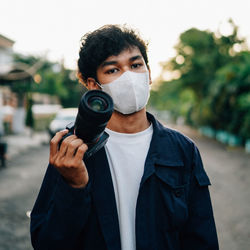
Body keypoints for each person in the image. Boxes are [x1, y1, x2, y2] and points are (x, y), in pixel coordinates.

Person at [30, 25, 219, 250]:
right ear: (93, 85)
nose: (129, 76)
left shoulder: (182, 150)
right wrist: (73, 186)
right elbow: (48, 242)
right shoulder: (73, 150)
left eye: (136, 65)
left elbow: (201, 238)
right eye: (113, 70)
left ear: (149, 74)